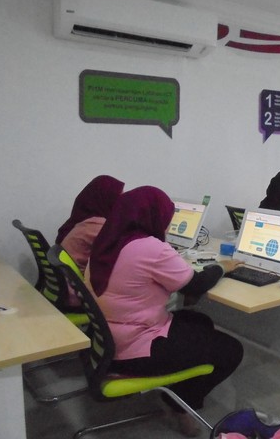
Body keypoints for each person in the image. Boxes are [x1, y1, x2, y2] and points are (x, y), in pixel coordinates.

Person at [86, 186, 244, 437]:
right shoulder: (149, 247)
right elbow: (196, 284)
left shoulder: (108, 242)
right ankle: (180, 403)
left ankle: (179, 392)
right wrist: (222, 267)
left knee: (199, 321)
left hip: (107, 340)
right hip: (134, 348)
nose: (169, 225)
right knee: (232, 350)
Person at [56, 175, 125, 307]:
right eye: (118, 198)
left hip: (65, 288)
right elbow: (125, 251)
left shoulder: (84, 219)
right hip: (77, 295)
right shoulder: (97, 226)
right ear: (106, 199)